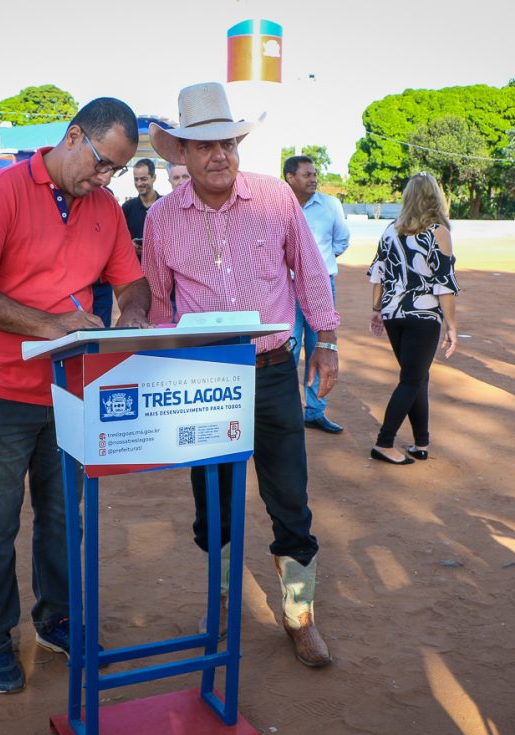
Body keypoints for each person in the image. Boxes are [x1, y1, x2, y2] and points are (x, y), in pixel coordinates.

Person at [0, 97, 150, 694]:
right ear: (73, 136)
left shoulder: (104, 208)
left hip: (68, 391)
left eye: (116, 170)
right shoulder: (2, 192)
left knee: (64, 519)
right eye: (103, 163)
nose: (104, 178)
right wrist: (50, 325)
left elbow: (130, 282)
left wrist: (133, 315)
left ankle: (58, 618)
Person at [143, 82, 339, 668]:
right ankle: (221, 600)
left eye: (227, 142)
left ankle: (300, 616)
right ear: (182, 154)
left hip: (275, 370)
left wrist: (325, 342)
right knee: (213, 503)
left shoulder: (276, 199)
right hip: (202, 377)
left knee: (290, 499)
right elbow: (158, 301)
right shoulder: (161, 219)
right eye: (203, 147)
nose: (218, 155)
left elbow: (309, 272)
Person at [368, 172, 459, 465]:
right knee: (411, 379)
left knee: (418, 378)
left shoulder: (390, 230)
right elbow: (444, 282)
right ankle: (384, 443)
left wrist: (376, 309)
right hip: (422, 315)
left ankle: (421, 442)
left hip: (394, 313)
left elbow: (378, 272)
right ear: (436, 197)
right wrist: (452, 326)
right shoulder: (438, 231)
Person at [283, 154, 350, 433]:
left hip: (321, 289)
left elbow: (341, 241)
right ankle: (285, 413)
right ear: (290, 177)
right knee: (287, 348)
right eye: (307, 175)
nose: (314, 179)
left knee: (319, 346)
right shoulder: (277, 206)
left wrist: (316, 269)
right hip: (285, 289)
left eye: (314, 174)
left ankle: (314, 410)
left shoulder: (330, 205)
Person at [121, 158, 162, 261]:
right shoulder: (127, 207)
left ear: (154, 178)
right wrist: (129, 245)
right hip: (134, 266)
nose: (139, 183)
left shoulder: (165, 206)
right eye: (136, 179)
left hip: (159, 266)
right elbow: (118, 238)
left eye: (143, 179)